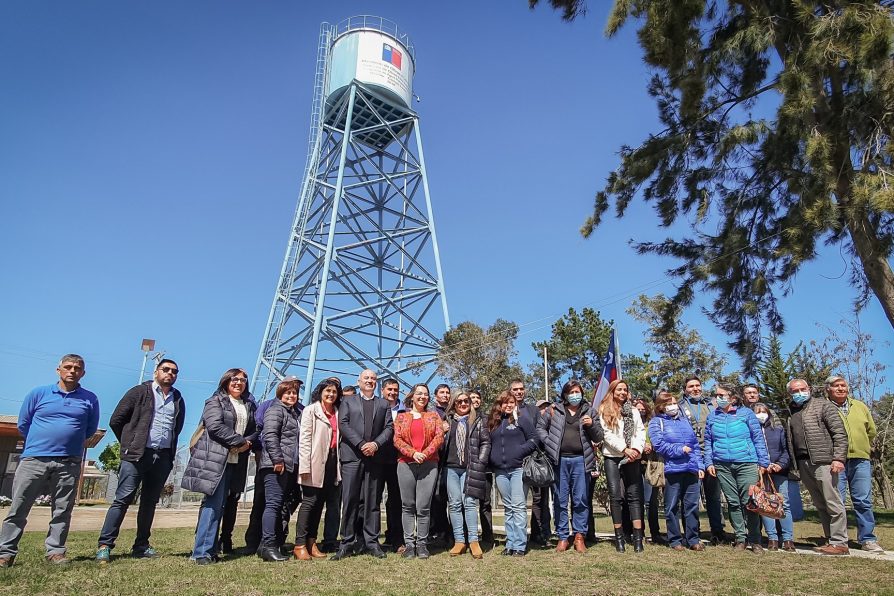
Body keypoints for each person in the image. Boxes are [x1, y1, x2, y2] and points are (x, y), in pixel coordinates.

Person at [0, 355, 100, 568]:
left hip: (68, 462)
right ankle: (5, 553)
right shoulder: (38, 393)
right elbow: (23, 424)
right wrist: (42, 442)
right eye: (68, 367)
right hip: (34, 459)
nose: (72, 371)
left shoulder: (90, 399)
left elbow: (90, 429)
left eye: (77, 368)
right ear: (58, 370)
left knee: (62, 509)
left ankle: (55, 551)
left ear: (83, 373)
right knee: (18, 507)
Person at [97, 359, 185, 563]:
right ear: (156, 371)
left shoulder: (177, 398)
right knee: (122, 499)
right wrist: (131, 443)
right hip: (136, 455)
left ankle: (141, 545)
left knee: (149, 503)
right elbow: (116, 420)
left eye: (174, 371)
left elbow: (177, 427)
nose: (169, 374)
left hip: (162, 456)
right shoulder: (139, 392)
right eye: (166, 369)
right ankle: (105, 545)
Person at [181, 368, 258, 564]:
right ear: (226, 381)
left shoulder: (249, 404)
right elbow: (214, 426)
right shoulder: (215, 401)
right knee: (213, 505)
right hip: (216, 459)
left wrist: (247, 442)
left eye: (242, 380)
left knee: (224, 504)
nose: (238, 382)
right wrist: (239, 441)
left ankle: (212, 548)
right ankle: (201, 553)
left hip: (236, 461)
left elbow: (255, 429)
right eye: (234, 379)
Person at [331, 369, 394, 560]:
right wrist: (361, 444)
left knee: (372, 502)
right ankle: (347, 542)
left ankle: (372, 542)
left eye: (373, 379)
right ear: (359, 382)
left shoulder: (383, 404)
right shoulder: (347, 402)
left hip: (375, 458)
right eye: (366, 378)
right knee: (350, 500)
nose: (370, 381)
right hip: (352, 457)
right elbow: (343, 424)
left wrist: (375, 444)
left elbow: (389, 427)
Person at [785, 377, 850, 555]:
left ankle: (840, 542)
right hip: (803, 462)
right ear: (790, 393)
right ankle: (831, 540)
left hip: (824, 461)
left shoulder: (823, 406)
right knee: (820, 504)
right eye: (794, 391)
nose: (799, 393)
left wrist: (838, 458)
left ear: (809, 389)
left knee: (833, 502)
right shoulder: (792, 411)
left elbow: (839, 434)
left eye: (802, 389)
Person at [536, 380, 602, 553]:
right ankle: (563, 536)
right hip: (559, 461)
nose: (574, 395)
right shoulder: (554, 410)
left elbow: (599, 436)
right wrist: (549, 442)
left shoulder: (589, 410)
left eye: (577, 391)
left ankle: (579, 536)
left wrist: (591, 425)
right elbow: (540, 428)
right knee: (559, 499)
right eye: (571, 392)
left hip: (581, 460)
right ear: (565, 394)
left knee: (581, 499)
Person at [704, 385, 769, 554]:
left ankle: (755, 540)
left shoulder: (746, 414)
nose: (718, 398)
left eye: (721, 395)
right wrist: (709, 463)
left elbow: (758, 439)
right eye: (716, 395)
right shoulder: (712, 416)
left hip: (746, 463)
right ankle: (740, 538)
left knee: (750, 502)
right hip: (722, 464)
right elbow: (708, 442)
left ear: (732, 398)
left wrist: (763, 462)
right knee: (733, 503)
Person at [242, 378, 304, 555]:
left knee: (279, 505)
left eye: (295, 392)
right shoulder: (274, 409)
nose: (292, 395)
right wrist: (277, 460)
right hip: (275, 465)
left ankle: (268, 544)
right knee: (272, 505)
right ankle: (268, 545)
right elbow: (269, 435)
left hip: (288, 465)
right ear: (280, 393)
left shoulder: (294, 412)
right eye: (288, 392)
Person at [826, 375, 884, 553]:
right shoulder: (824, 407)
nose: (841, 388)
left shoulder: (859, 406)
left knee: (863, 500)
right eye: (836, 386)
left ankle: (867, 539)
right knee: (837, 501)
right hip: (835, 460)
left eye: (843, 385)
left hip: (860, 459)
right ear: (828, 389)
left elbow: (871, 431)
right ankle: (839, 539)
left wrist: (863, 446)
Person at [649, 390, 705, 551]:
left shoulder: (684, 421)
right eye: (669, 404)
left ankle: (693, 539)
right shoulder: (656, 422)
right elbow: (659, 445)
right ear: (661, 407)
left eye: (674, 403)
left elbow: (694, 445)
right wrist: (679, 449)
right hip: (671, 470)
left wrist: (699, 466)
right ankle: (675, 540)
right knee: (672, 506)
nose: (673, 406)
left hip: (690, 469)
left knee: (691, 506)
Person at [393, 384, 444, 559]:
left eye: (425, 394)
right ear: (412, 396)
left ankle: (422, 544)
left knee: (423, 507)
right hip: (406, 463)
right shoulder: (401, 417)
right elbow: (397, 439)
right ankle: (409, 545)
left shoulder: (433, 416)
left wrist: (425, 453)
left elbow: (439, 437)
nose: (422, 397)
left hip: (429, 465)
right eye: (419, 393)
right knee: (407, 506)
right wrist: (413, 453)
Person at [293, 379, 343, 561]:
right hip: (314, 461)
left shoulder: (338, 413)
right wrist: (304, 466)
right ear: (320, 392)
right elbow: (304, 440)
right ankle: (299, 544)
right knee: (309, 503)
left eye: (334, 392)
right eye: (328, 391)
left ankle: (311, 542)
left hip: (332, 461)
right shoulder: (311, 411)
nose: (331, 394)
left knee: (320, 504)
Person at [678, 375, 729, 544]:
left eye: (697, 385)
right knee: (689, 498)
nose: (695, 389)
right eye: (691, 386)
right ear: (685, 389)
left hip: (711, 455)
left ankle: (718, 531)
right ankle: (692, 533)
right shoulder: (679, 407)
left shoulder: (711, 405)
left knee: (713, 496)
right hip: (690, 456)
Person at [598, 379, 646, 553]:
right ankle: (619, 538)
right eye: (619, 389)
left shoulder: (633, 411)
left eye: (625, 389)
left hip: (632, 457)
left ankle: (638, 539)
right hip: (613, 456)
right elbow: (606, 435)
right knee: (616, 496)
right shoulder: (604, 410)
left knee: (634, 496)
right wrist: (623, 449)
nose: (622, 392)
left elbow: (640, 432)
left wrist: (635, 449)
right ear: (612, 391)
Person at [488, 390, 538, 557]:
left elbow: (534, 439)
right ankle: (510, 543)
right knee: (508, 508)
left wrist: (519, 451)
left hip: (518, 469)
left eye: (511, 402)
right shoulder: (494, 422)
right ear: (499, 405)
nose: (508, 405)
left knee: (518, 506)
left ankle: (520, 545)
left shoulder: (521, 420)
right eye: (504, 402)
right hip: (500, 471)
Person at [443, 390, 490, 559]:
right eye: (459, 401)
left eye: (466, 401)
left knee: (470, 504)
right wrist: (442, 432)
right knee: (455, 504)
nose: (463, 404)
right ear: (454, 404)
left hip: (471, 468)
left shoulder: (478, 420)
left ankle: (474, 541)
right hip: (451, 468)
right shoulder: (447, 421)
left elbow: (485, 442)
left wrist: (480, 461)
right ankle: (459, 541)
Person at [509, 379, 550, 548]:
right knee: (515, 502)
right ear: (510, 391)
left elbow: (540, 433)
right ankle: (515, 536)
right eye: (515, 389)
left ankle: (540, 534)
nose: (519, 392)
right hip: (514, 463)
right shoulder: (506, 410)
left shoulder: (533, 410)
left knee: (540, 498)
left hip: (534, 460)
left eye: (521, 389)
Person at [753, 402, 795, 552]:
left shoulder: (778, 430)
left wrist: (779, 464)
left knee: (784, 503)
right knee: (765, 505)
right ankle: (772, 538)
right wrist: (762, 465)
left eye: (763, 411)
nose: (761, 414)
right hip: (761, 472)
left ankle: (788, 538)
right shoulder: (750, 432)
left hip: (779, 471)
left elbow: (786, 450)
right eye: (757, 412)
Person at [378, 378, 405, 552]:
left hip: (398, 461)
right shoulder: (376, 407)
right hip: (377, 460)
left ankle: (397, 539)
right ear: (382, 390)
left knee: (396, 501)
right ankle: (371, 539)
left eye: (395, 390)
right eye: (389, 389)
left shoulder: (405, 411)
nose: (392, 392)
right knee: (372, 500)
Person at [633, 396, 662, 545]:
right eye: (638, 409)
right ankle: (639, 532)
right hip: (635, 464)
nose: (641, 411)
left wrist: (651, 445)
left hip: (651, 464)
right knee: (637, 501)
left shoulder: (653, 423)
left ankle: (655, 533)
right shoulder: (630, 424)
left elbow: (660, 439)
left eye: (643, 409)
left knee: (651, 501)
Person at [469, 388, 494, 545]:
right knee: (466, 503)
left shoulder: (487, 419)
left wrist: (482, 461)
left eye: (477, 397)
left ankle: (487, 535)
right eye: (472, 397)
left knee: (485, 503)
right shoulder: (462, 418)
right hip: (467, 467)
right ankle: (466, 535)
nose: (475, 400)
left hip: (484, 468)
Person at [429, 383, 452, 545]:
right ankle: (435, 532)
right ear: (435, 396)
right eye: (441, 392)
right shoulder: (430, 413)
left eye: (447, 392)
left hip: (451, 461)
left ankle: (451, 533)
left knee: (452, 498)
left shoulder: (453, 413)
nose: (445, 395)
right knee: (434, 497)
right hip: (434, 460)